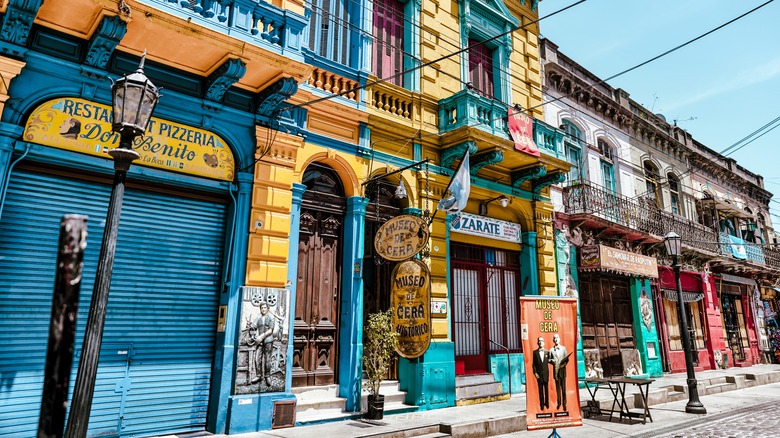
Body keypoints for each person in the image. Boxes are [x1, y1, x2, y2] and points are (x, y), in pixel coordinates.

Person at [251, 302, 276, 386]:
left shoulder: (271, 317)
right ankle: (258, 375)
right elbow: (253, 326)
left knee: (267, 359)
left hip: (268, 340)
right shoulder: (259, 317)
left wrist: (261, 336)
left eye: (265, 308)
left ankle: (267, 376)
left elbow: (270, 330)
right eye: (262, 308)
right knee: (257, 358)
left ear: (267, 308)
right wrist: (252, 328)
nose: (263, 309)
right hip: (260, 341)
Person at [549, 333, 570, 411]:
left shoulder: (563, 349)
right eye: (554, 338)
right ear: (553, 340)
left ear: (559, 339)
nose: (556, 339)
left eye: (557, 337)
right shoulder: (551, 350)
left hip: (563, 372)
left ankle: (565, 404)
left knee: (564, 389)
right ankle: (559, 403)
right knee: (558, 389)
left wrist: (563, 364)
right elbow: (549, 360)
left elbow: (567, 359)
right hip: (556, 372)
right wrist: (552, 361)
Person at [532, 336, 551, 410]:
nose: (540, 342)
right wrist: (535, 373)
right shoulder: (535, 352)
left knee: (546, 390)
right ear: (537, 343)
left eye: (542, 341)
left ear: (544, 342)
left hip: (546, 374)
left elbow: (550, 360)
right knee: (540, 391)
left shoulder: (547, 352)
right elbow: (534, 364)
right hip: (539, 375)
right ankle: (542, 405)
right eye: (539, 341)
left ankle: (547, 404)